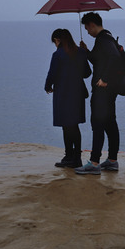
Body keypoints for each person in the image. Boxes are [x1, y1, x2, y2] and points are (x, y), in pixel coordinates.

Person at [77, 12, 121, 173]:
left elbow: (114, 57)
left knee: (97, 124)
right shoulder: (105, 38)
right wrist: (87, 52)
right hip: (109, 91)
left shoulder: (103, 39)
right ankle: (112, 160)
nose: (87, 31)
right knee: (110, 124)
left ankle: (94, 163)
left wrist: (104, 79)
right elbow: (100, 60)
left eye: (87, 28)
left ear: (92, 25)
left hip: (103, 91)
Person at [44, 27, 91, 169]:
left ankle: (69, 156)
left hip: (63, 93)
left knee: (66, 126)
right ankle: (76, 157)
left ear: (57, 40)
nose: (55, 44)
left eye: (55, 42)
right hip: (77, 94)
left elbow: (51, 73)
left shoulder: (58, 55)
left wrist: (47, 87)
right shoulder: (81, 52)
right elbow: (87, 73)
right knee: (74, 125)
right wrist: (84, 52)